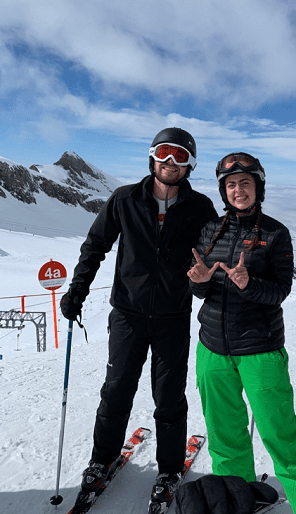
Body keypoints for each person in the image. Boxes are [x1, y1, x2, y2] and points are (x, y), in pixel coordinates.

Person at [60, 127, 218, 509]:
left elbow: (212, 259)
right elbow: (96, 244)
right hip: (128, 315)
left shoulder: (200, 209)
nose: (171, 162)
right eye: (165, 152)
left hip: (172, 316)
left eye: (180, 157)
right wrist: (77, 289)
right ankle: (102, 459)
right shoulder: (125, 199)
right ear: (152, 156)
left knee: (168, 397)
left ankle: (168, 469)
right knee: (116, 390)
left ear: (190, 166)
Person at [187, 153, 296, 514]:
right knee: (224, 437)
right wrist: (197, 283)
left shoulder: (275, 233)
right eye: (231, 185)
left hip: (259, 349)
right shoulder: (211, 231)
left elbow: (279, 291)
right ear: (223, 191)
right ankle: (240, 503)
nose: (238, 190)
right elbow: (201, 288)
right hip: (211, 348)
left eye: (245, 183)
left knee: (281, 437)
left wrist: (247, 283)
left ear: (258, 187)